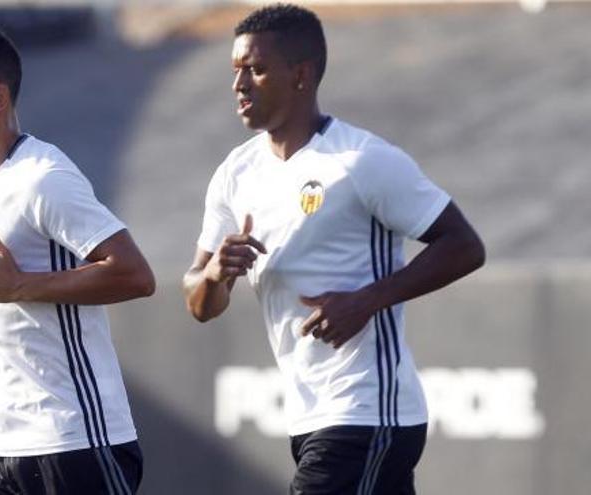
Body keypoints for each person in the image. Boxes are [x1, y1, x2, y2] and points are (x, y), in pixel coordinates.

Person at [182, 4, 485, 494]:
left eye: (256, 70)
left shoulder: (361, 160)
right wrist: (215, 274)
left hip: (367, 411)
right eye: (235, 71)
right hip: (308, 414)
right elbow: (199, 303)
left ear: (301, 75)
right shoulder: (234, 175)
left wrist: (366, 300)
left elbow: (464, 245)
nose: (239, 85)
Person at [0, 25, 154, 495]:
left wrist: (19, 285)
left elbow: (134, 274)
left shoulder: (45, 178)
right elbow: (12, 299)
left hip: (74, 444)